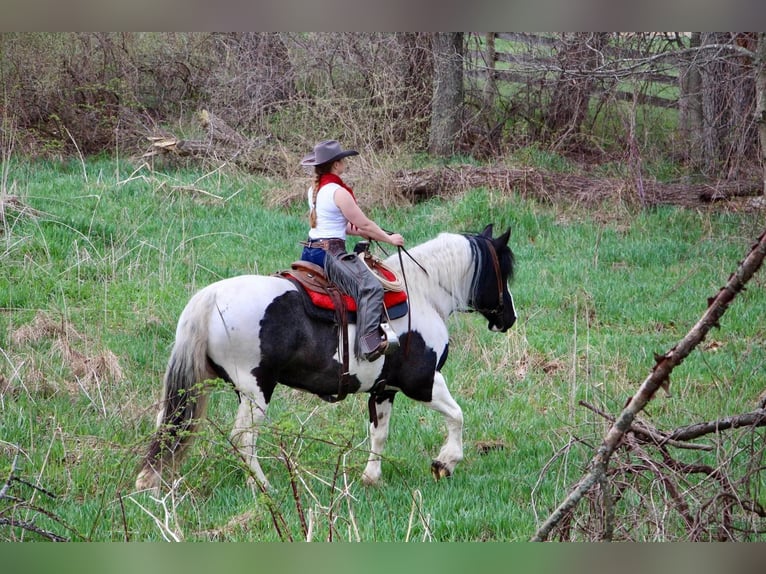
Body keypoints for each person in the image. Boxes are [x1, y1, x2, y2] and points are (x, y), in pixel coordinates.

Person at [299, 139, 405, 361]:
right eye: (342, 160)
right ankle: (369, 344)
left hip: (310, 251)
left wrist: (360, 233)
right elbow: (364, 223)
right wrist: (389, 238)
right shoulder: (338, 192)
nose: (345, 163)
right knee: (372, 288)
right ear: (336, 165)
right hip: (330, 254)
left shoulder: (315, 190)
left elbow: (339, 225)